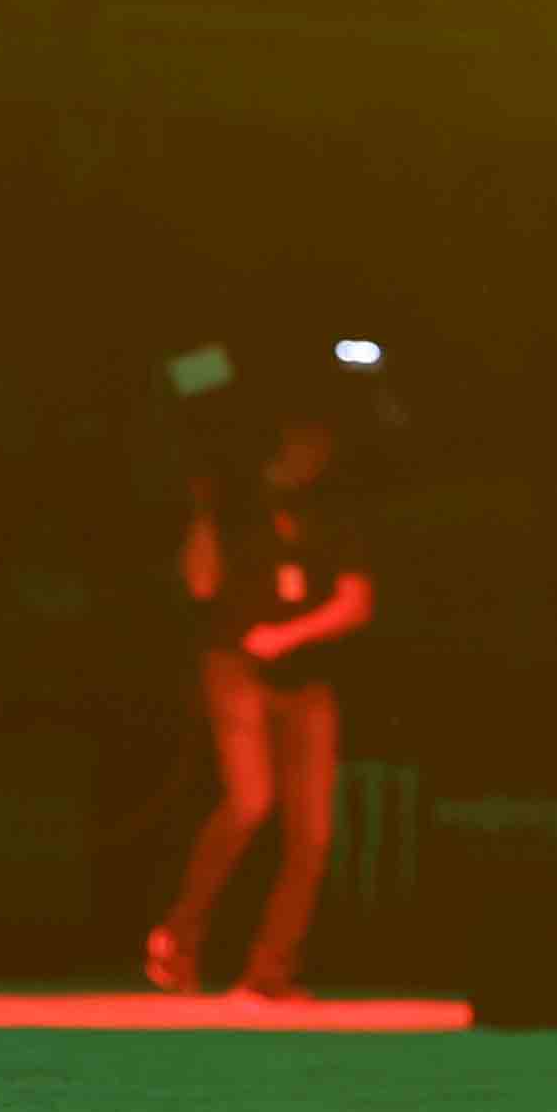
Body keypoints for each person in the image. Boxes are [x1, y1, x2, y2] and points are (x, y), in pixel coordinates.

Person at [142, 418, 372, 998]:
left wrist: (289, 636)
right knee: (249, 802)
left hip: (307, 683)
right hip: (235, 669)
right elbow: (200, 585)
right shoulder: (234, 505)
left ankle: (271, 973)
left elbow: (356, 603)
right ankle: (178, 938)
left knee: (313, 833)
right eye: (305, 439)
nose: (315, 452)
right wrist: (201, 513)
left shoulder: (332, 516)